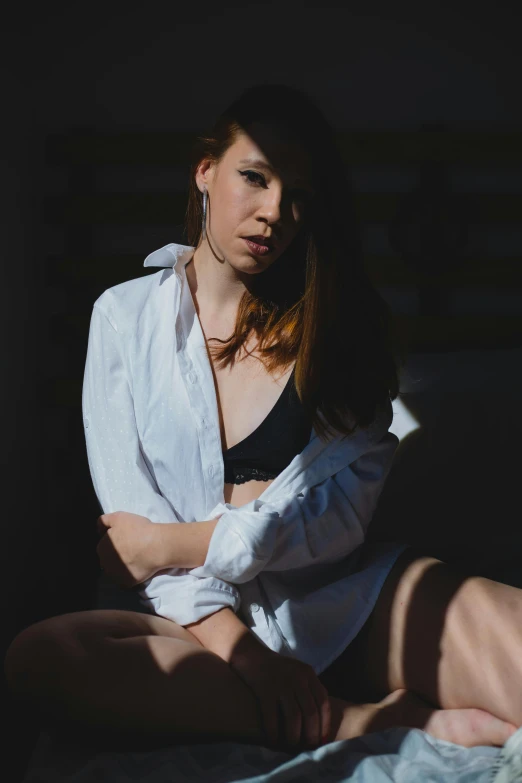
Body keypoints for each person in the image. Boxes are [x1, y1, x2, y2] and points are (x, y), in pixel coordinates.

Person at [4, 83, 521, 755]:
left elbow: (336, 525)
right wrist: (251, 657)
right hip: (193, 621)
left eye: (298, 195)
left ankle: (316, 702)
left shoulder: (335, 331)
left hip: (341, 603)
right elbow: (137, 552)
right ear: (205, 171)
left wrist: (178, 541)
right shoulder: (124, 319)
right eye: (255, 177)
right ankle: (352, 721)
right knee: (42, 655)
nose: (274, 211)